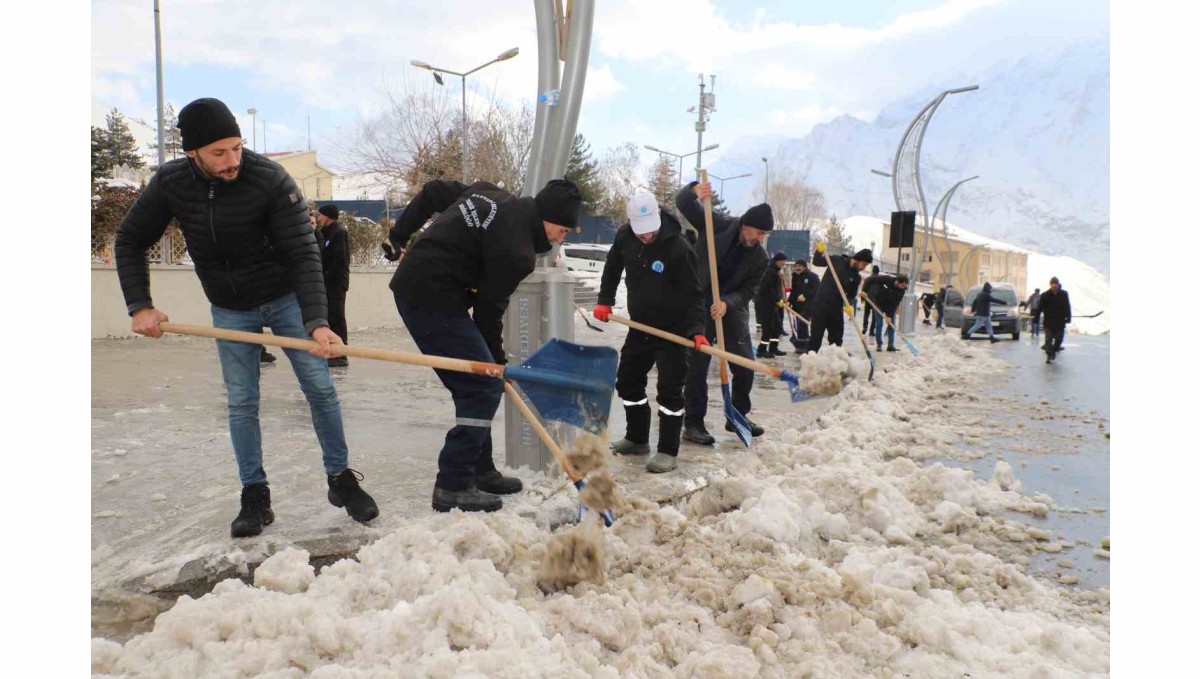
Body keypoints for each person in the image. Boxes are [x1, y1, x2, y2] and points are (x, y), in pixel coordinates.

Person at [114, 97, 378, 538]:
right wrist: (139, 304)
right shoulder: (172, 182)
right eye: (219, 152)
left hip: (287, 298)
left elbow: (304, 253)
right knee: (242, 401)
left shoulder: (270, 179)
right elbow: (129, 239)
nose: (232, 160)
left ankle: (340, 479)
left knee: (319, 387)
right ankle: (254, 494)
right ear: (192, 152)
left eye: (237, 147)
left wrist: (317, 320)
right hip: (230, 308)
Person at [384, 177, 581, 513]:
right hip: (429, 298)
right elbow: (488, 315)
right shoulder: (517, 252)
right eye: (562, 230)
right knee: (481, 386)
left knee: (481, 383)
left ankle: (481, 469)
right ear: (546, 218)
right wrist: (498, 364)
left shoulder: (487, 192)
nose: (561, 239)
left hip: (424, 287)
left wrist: (399, 235)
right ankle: (453, 484)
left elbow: (433, 192)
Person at [593, 191, 707, 473]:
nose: (647, 236)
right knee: (628, 381)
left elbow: (694, 294)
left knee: (669, 391)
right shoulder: (625, 236)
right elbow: (612, 267)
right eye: (641, 231)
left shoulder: (678, 247)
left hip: (673, 331)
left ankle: (668, 451)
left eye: (651, 231)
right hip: (640, 326)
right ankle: (637, 437)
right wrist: (605, 300)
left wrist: (696, 330)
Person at [674, 180, 772, 445]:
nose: (761, 238)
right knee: (697, 366)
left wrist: (727, 302)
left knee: (745, 365)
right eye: (759, 232)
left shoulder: (760, 258)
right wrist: (695, 191)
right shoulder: (716, 223)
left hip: (730, 308)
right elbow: (683, 203)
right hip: (699, 302)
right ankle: (694, 424)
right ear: (745, 225)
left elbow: (750, 290)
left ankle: (736, 415)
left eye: (765, 235)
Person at [807, 243, 873, 353]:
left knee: (836, 339)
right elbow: (817, 262)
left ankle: (834, 365)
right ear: (858, 259)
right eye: (864, 264)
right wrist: (819, 251)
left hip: (836, 308)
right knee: (816, 337)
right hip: (821, 304)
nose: (864, 267)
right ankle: (809, 363)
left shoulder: (856, 277)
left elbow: (851, 294)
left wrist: (849, 304)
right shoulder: (837, 260)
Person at [316, 204, 351, 367]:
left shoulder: (338, 232)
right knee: (328, 316)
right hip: (325, 283)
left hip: (335, 283)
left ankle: (341, 353)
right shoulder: (323, 233)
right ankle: (330, 352)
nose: (318, 218)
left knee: (337, 316)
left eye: (321, 215)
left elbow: (340, 259)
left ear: (328, 216)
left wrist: (330, 277)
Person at [861, 273, 909, 351]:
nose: (904, 287)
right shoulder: (887, 279)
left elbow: (895, 303)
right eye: (902, 285)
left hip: (890, 306)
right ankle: (879, 344)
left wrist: (889, 316)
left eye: (905, 285)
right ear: (897, 282)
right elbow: (870, 279)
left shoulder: (902, 290)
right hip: (878, 303)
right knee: (879, 323)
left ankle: (890, 345)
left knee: (891, 324)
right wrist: (864, 291)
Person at [755, 252, 789, 358]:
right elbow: (768, 288)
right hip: (766, 304)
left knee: (777, 327)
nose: (784, 264)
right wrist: (777, 299)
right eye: (782, 262)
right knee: (768, 328)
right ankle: (762, 350)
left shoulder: (775, 271)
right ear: (777, 261)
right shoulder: (770, 272)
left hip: (773, 304)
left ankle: (773, 348)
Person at [787, 259, 819, 353]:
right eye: (796, 266)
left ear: (804, 267)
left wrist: (805, 295)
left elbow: (817, 289)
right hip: (797, 305)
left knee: (803, 323)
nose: (797, 268)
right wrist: (789, 301)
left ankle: (806, 345)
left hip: (809, 305)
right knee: (797, 325)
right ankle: (800, 345)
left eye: (799, 266)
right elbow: (794, 291)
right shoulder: (795, 277)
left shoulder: (812, 276)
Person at [1039, 277, 1071, 362]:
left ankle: (1054, 350)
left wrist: (1068, 317)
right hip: (1049, 321)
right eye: (1052, 284)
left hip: (1060, 321)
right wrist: (1036, 318)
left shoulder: (1064, 294)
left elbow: (1067, 306)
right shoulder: (1045, 295)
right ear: (1050, 285)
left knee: (1059, 339)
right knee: (1048, 339)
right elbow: (1040, 308)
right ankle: (1049, 355)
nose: (1054, 285)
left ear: (1058, 285)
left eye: (1055, 284)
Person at [861, 265, 880, 336]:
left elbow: (864, 289)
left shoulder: (868, 279)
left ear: (872, 271)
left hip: (868, 299)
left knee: (866, 314)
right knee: (874, 317)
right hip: (876, 300)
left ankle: (864, 327)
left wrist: (862, 299)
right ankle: (871, 331)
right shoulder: (880, 279)